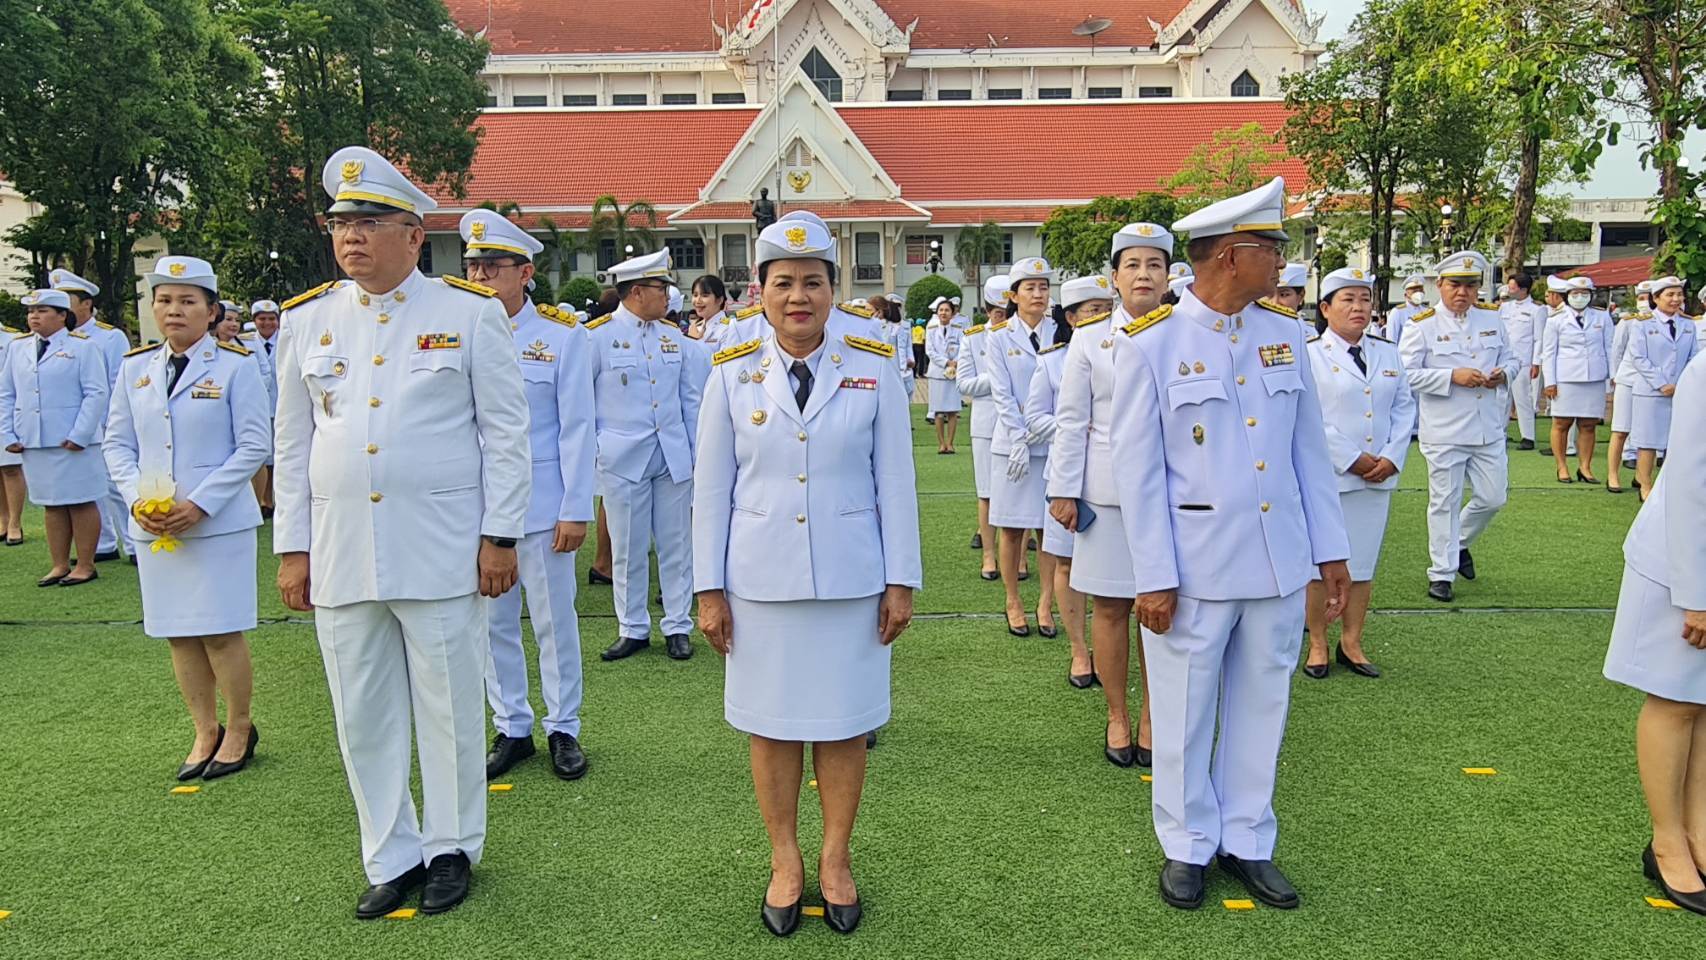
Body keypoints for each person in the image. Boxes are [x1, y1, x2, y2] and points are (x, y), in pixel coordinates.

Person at [272, 145, 532, 919]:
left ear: (414, 235)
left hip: (441, 544)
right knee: (362, 713)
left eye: (370, 222)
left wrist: (500, 535)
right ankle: (391, 854)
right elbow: (292, 442)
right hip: (342, 548)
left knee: (449, 708)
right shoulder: (307, 320)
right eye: (341, 224)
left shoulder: (468, 313)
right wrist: (293, 549)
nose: (351, 237)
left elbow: (505, 433)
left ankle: (451, 848)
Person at [1108, 177, 1351, 911]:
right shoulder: (1152, 342)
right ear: (1229, 256)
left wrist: (1330, 551)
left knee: (1263, 703)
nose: (1282, 259)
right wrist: (1154, 576)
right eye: (1271, 246)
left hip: (1277, 561)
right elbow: (1138, 471)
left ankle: (1248, 838)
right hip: (1194, 567)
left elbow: (1308, 453)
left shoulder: (1285, 334)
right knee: (1184, 710)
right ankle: (1186, 844)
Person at [694, 217, 919, 937]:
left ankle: (836, 857)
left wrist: (901, 580)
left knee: (845, 725)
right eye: (783, 283)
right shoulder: (730, 368)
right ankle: (785, 859)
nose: (799, 297)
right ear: (758, 290)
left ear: (833, 289)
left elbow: (895, 480)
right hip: (759, 583)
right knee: (771, 727)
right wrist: (707, 588)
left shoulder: (872, 362)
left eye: (813, 283)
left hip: (853, 580)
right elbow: (711, 488)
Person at [104, 256, 271, 780]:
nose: (173, 310)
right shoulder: (135, 368)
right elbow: (117, 443)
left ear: (211, 310)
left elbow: (254, 445)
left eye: (187, 301)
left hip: (216, 524)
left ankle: (239, 727)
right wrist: (137, 499)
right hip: (156, 526)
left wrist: (200, 503)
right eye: (164, 300)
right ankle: (204, 729)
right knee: (178, 633)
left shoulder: (236, 366)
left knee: (220, 633)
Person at [457, 210, 597, 783]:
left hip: (542, 506)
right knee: (493, 624)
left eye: (494, 266)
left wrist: (575, 508)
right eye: (474, 266)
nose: (481, 276)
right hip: (477, 506)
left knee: (552, 623)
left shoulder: (562, 338)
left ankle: (563, 725)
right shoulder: (458, 333)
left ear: (525, 272)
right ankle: (512, 725)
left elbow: (577, 427)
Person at [1051, 223, 1173, 767]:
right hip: (1107, 495)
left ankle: (1153, 715)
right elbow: (1071, 420)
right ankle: (1118, 714)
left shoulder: (1187, 333)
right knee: (1110, 607)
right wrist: (1063, 490)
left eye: (1154, 265)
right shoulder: (1089, 338)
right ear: (1115, 277)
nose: (1143, 275)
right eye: (1133, 265)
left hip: (1172, 494)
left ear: (1168, 276)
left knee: (1163, 610)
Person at [1603, 347, 1706, 917]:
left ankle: (1699, 833)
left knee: (1705, 704)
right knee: (1676, 701)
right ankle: (1667, 843)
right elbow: (1690, 483)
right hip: (1683, 562)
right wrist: (1697, 596)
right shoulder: (1704, 371)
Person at [584, 247, 710, 663]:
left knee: (677, 546)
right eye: (661, 287)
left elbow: (691, 400)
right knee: (628, 548)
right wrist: (599, 448)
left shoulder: (674, 339)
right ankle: (633, 627)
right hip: (623, 458)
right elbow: (582, 403)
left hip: (671, 455)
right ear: (637, 291)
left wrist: (694, 453)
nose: (668, 295)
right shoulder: (597, 338)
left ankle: (678, 625)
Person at [1301, 267, 1416, 678]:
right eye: (1348, 300)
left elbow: (1403, 406)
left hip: (1376, 478)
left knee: (1363, 565)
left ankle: (1351, 642)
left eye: (1365, 300)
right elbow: (1308, 416)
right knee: (1320, 568)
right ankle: (1317, 642)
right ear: (1325, 308)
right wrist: (1351, 458)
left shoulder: (1387, 351)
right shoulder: (1310, 354)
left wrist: (1392, 457)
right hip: (1330, 477)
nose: (1358, 308)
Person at [1400, 251, 1517, 603]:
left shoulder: (1492, 318)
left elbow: (1512, 358)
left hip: (1487, 425)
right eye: (1455, 284)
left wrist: (1503, 374)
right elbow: (1405, 375)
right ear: (1439, 285)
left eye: (1470, 285)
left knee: (1493, 497)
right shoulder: (1422, 325)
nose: (1463, 292)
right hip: (1445, 429)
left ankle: (1460, 542)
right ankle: (1441, 573)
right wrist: (1452, 376)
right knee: (1444, 502)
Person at [1028, 275, 1111, 689]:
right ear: (1073, 318)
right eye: (1093, 311)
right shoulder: (1052, 361)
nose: (1102, 318)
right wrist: (1075, 428)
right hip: (1065, 477)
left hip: (1110, 479)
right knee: (1066, 562)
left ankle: (1110, 647)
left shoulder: (1124, 351)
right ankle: (1079, 649)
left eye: (1106, 309)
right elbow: (1034, 418)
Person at [0, 289, 109, 587]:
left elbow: (96, 393)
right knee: (51, 504)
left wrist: (80, 434)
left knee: (81, 501)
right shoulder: (18, 348)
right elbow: (6, 393)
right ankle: (59, 564)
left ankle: (85, 565)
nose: (34, 316)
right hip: (33, 439)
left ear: (62, 315)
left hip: (73, 441)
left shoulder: (83, 347)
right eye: (31, 311)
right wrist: (7, 433)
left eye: (42, 310)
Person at [987, 258, 1059, 637]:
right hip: (1011, 447)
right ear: (1013, 296)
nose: (1038, 294)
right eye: (1029, 288)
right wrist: (1018, 437)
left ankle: (1046, 602)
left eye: (1043, 287)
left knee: (1049, 529)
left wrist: (1041, 429)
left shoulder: (1062, 332)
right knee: (1012, 528)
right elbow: (1001, 393)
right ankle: (1013, 600)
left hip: (1051, 443)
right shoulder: (999, 337)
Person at [1627, 276, 1701, 500]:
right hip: (1650, 391)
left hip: (1680, 391)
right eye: (1670, 295)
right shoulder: (1642, 323)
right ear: (1656, 298)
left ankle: (1668, 486)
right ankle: (1645, 485)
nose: (1676, 299)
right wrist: (1661, 383)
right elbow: (1638, 357)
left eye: (1679, 294)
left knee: (1675, 440)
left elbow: (1694, 357)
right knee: (1647, 441)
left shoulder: (1688, 324)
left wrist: (1684, 383)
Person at [958, 276, 1009, 580]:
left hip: (1019, 422)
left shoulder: (1022, 335)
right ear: (988, 311)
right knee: (987, 492)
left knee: (1019, 491)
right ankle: (989, 555)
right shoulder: (974, 339)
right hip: (987, 422)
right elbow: (964, 384)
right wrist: (999, 377)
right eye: (999, 313)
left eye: (1008, 312)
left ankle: (1018, 557)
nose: (1004, 318)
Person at [1540, 275, 1612, 484]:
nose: (1580, 297)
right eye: (1575, 293)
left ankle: (1585, 467)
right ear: (1567, 296)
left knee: (1588, 424)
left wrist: (1612, 377)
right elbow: (1549, 353)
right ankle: (1562, 466)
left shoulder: (1602, 317)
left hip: (1594, 377)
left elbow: (1610, 348)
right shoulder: (1556, 319)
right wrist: (1550, 382)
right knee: (1562, 423)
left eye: (1584, 293)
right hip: (1566, 378)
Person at [1606, 280, 1652, 493]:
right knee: (1621, 429)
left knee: (1647, 432)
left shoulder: (1666, 322)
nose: (1646, 302)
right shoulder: (1629, 322)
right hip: (1629, 378)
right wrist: (1615, 376)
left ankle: (1642, 477)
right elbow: (1617, 350)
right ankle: (1612, 475)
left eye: (1649, 298)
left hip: (1653, 383)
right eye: (1642, 298)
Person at [1500, 273, 1546, 451]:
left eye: (1512, 287)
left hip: (1523, 360)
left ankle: (1528, 436)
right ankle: (1500, 434)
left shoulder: (1537, 309)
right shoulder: (1504, 307)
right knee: (1502, 399)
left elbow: (1539, 338)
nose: (1509, 290)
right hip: (1504, 359)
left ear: (1523, 290)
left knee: (1523, 399)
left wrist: (1536, 362)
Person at [249, 299, 281, 515]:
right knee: (263, 456)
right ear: (254, 321)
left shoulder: (288, 338)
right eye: (262, 319)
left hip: (282, 405)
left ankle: (276, 500)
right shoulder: (246, 343)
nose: (267, 323)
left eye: (272, 318)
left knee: (281, 455)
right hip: (257, 408)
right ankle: (263, 500)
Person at [924, 297, 962, 453]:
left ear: (952, 313)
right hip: (938, 373)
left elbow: (964, 348)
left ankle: (950, 443)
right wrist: (946, 362)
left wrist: (956, 362)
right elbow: (930, 351)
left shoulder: (958, 329)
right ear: (937, 312)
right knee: (938, 411)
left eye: (947, 310)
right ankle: (941, 444)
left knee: (952, 410)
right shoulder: (931, 328)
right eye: (941, 310)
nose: (943, 313)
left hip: (953, 373)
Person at [0, 319, 25, 546]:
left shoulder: (13, 340)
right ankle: (3, 519)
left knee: (10, 468)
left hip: (7, 412)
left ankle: (15, 523)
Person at [1384, 274, 1427, 349]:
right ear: (1406, 295)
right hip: (1404, 354)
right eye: (1414, 291)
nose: (1418, 293)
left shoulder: (1427, 311)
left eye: (1420, 290)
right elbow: (1391, 340)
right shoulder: (1398, 312)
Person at [685, 274, 730, 341]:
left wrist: (695, 340)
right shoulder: (695, 327)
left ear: (719, 300)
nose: (697, 301)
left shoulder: (729, 328)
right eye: (695, 295)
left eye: (704, 296)